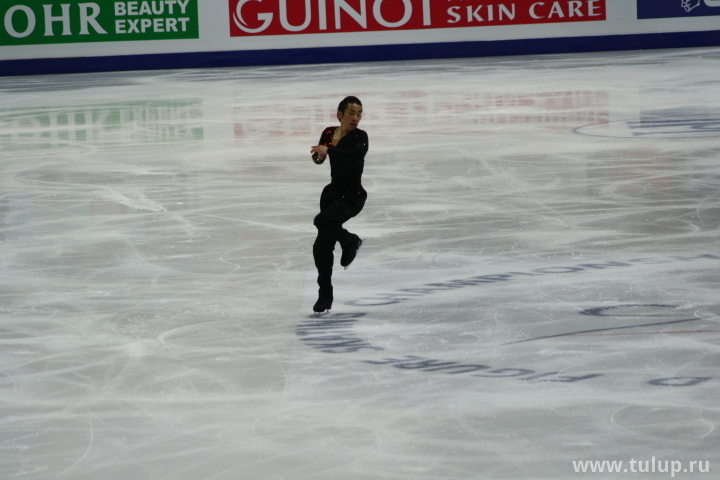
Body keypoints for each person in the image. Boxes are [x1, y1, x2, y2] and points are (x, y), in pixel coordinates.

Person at [309, 96, 368, 313]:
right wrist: (319, 156)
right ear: (340, 114)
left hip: (352, 196)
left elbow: (357, 154)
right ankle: (325, 296)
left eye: (359, 114)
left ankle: (350, 240)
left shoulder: (360, 136)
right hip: (332, 195)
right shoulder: (329, 133)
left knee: (322, 221)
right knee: (321, 247)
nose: (356, 118)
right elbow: (320, 158)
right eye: (352, 113)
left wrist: (330, 151)